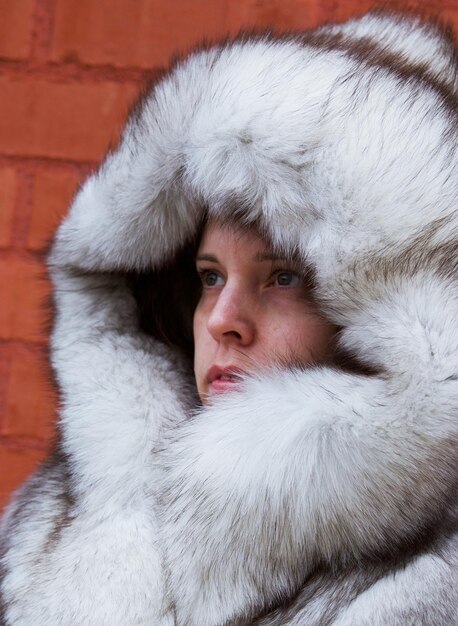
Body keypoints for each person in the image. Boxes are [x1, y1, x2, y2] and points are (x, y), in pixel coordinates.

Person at [1, 9, 457, 626]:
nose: (221, 320)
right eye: (210, 276)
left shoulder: (432, 578)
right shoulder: (71, 504)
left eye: (283, 279)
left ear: (372, 313)